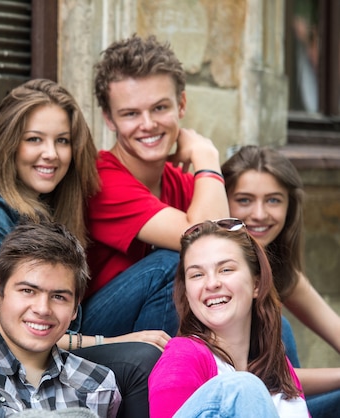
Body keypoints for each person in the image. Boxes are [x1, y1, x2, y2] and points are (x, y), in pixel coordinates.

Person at [0, 78, 164, 418]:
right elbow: (9, 328)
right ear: (10, 144)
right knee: (146, 342)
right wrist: (114, 343)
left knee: (167, 270)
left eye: (62, 141)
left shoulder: (61, 202)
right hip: (23, 350)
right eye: (35, 139)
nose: (51, 153)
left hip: (64, 328)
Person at [84, 34, 230, 338]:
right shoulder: (101, 177)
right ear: (109, 119)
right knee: (171, 264)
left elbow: (228, 250)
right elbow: (210, 241)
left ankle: (283, 386)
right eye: (130, 113)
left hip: (155, 324)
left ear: (181, 104)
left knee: (261, 306)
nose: (148, 124)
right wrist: (207, 155)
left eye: (160, 108)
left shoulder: (180, 182)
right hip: (96, 335)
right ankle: (158, 385)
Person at [0, 221, 122, 417]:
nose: (42, 309)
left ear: (75, 306)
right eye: (28, 291)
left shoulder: (99, 385)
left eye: (59, 297)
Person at [223, 145, 340, 417]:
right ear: (224, 200)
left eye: (274, 200)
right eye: (244, 200)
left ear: (290, 206)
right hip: (243, 407)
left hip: (284, 405)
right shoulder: (214, 278)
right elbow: (262, 377)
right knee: (283, 327)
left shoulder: (282, 270)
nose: (260, 214)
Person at [148, 219, 309, 417]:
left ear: (256, 284)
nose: (211, 283)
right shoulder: (183, 355)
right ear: (187, 294)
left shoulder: (279, 365)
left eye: (226, 270)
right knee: (244, 387)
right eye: (197, 275)